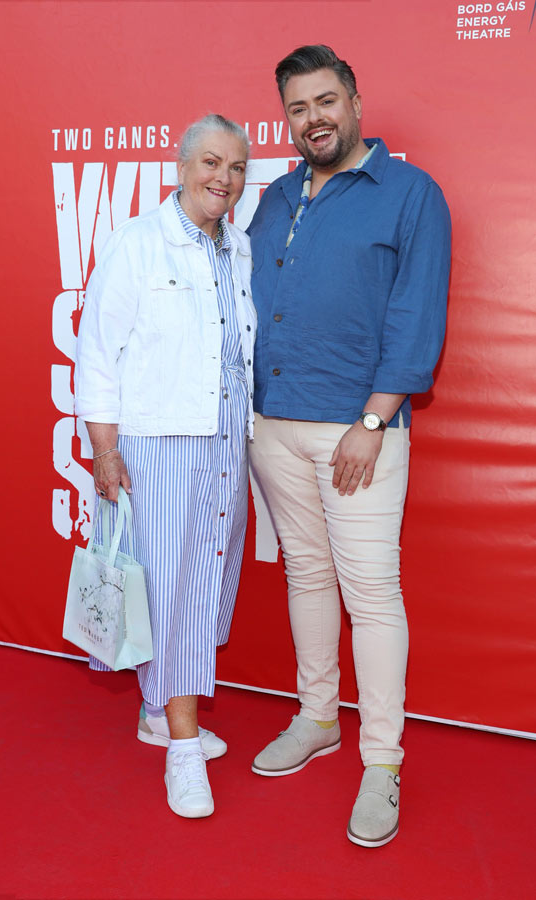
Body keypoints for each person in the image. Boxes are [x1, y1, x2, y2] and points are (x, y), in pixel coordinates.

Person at [247, 45, 451, 846]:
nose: (313, 120)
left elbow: (416, 313)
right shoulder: (273, 198)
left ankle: (382, 762)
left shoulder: (410, 193)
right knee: (306, 573)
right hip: (274, 426)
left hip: (357, 431)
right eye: (298, 109)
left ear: (355, 100)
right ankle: (317, 718)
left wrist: (372, 421)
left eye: (326, 101)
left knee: (371, 595)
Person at [75, 114, 256, 819]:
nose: (225, 178)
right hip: (159, 445)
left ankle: (157, 711)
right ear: (181, 166)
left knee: (205, 578)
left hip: (224, 443)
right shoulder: (138, 244)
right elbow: (97, 353)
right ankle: (181, 748)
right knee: (173, 588)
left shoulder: (237, 246)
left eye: (237, 167)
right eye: (212, 162)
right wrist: (107, 450)